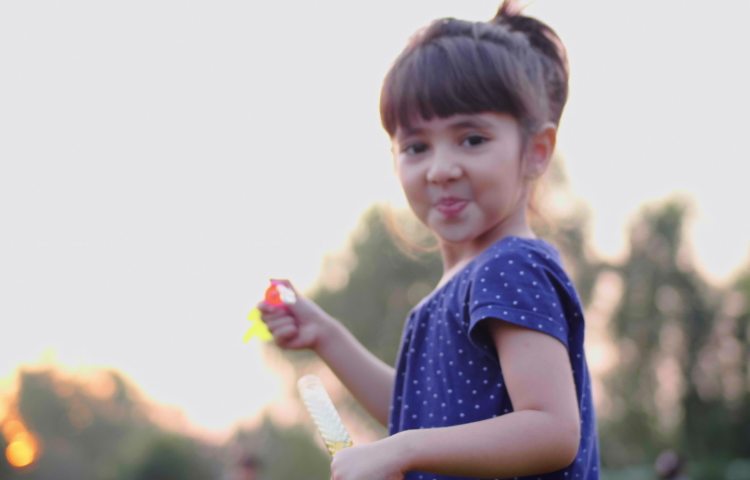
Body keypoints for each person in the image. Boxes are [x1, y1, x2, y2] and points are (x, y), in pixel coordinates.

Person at [257, 1, 599, 478]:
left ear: (536, 151)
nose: (441, 170)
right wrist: (324, 335)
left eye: (472, 139)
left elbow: (552, 430)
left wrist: (399, 451)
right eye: (417, 147)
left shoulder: (510, 267)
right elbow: (414, 414)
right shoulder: (457, 286)